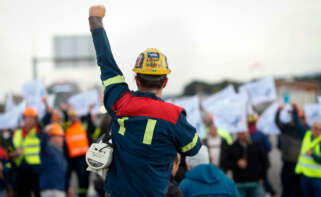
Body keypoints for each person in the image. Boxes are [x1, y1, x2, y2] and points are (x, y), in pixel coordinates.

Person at [88, 5, 201, 197]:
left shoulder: (120, 102)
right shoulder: (173, 116)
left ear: (137, 80)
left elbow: (106, 63)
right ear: (165, 82)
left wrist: (95, 22)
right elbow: (194, 148)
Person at [8, 107, 42, 197]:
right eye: (27, 117)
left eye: (32, 118)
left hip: (37, 172)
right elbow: (8, 152)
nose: (30, 120)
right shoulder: (16, 134)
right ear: (23, 119)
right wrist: (14, 153)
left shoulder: (39, 133)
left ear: (36, 120)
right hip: (21, 172)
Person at [224, 130, 268, 197]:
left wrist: (262, 177)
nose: (244, 135)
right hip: (239, 183)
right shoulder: (232, 147)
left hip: (255, 182)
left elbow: (265, 162)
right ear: (238, 134)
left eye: (245, 132)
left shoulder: (257, 145)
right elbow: (226, 163)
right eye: (241, 133)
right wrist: (237, 163)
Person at [275, 105, 302, 197]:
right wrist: (278, 112)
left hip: (299, 165)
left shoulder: (302, 130)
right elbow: (277, 122)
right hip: (287, 164)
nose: (291, 118)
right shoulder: (286, 128)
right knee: (287, 187)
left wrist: (295, 110)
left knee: (298, 189)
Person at [247, 114, 275, 195]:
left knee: (263, 177)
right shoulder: (250, 135)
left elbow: (269, 147)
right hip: (256, 162)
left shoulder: (259, 134)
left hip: (261, 162)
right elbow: (269, 147)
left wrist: (261, 153)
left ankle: (268, 191)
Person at [64, 109, 89, 197]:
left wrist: (88, 112)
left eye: (74, 116)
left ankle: (82, 195)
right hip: (69, 158)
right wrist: (64, 111)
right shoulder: (66, 127)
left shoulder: (82, 126)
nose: (72, 118)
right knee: (66, 178)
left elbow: (90, 127)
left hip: (81, 158)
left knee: (83, 179)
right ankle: (67, 193)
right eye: (71, 116)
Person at [40, 123, 68, 197]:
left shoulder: (60, 153)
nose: (62, 139)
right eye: (60, 136)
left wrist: (67, 187)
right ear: (52, 137)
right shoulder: (48, 150)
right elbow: (43, 144)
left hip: (60, 189)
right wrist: (45, 133)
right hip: (49, 190)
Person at [295, 121, 321, 197]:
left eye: (320, 129)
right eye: (316, 129)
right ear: (311, 129)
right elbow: (298, 125)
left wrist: (312, 155)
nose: (318, 131)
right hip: (304, 176)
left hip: (317, 178)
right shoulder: (306, 135)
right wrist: (295, 110)